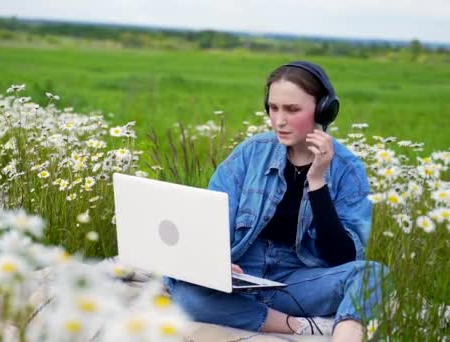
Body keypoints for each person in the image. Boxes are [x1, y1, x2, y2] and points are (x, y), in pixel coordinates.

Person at [164, 61, 389, 341]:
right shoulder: (250, 154)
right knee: (188, 297)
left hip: (296, 280)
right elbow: (209, 219)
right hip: (242, 270)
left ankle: (346, 334)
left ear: (323, 109)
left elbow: (342, 258)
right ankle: (300, 326)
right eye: (273, 108)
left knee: (372, 275)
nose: (279, 120)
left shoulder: (348, 170)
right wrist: (217, 261)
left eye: (292, 109)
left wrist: (318, 182)